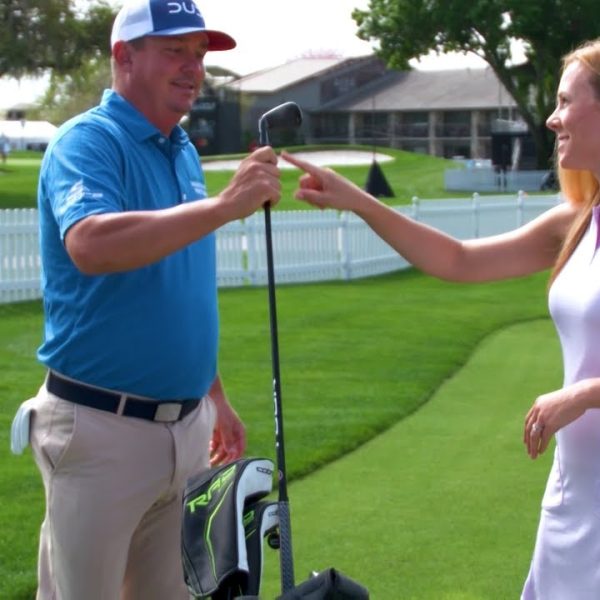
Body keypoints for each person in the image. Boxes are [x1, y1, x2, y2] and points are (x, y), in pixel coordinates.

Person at [282, 38, 600, 600]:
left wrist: (580, 394)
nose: (552, 119)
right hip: (576, 495)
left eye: (564, 101)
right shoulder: (574, 222)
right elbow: (458, 260)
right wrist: (359, 201)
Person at [16, 1, 281, 598]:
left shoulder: (180, 147)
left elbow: (175, 287)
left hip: (185, 429)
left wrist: (213, 396)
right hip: (99, 429)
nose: (193, 68)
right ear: (123, 55)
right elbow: (90, 244)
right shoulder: (87, 142)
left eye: (198, 55)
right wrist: (222, 207)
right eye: (174, 52)